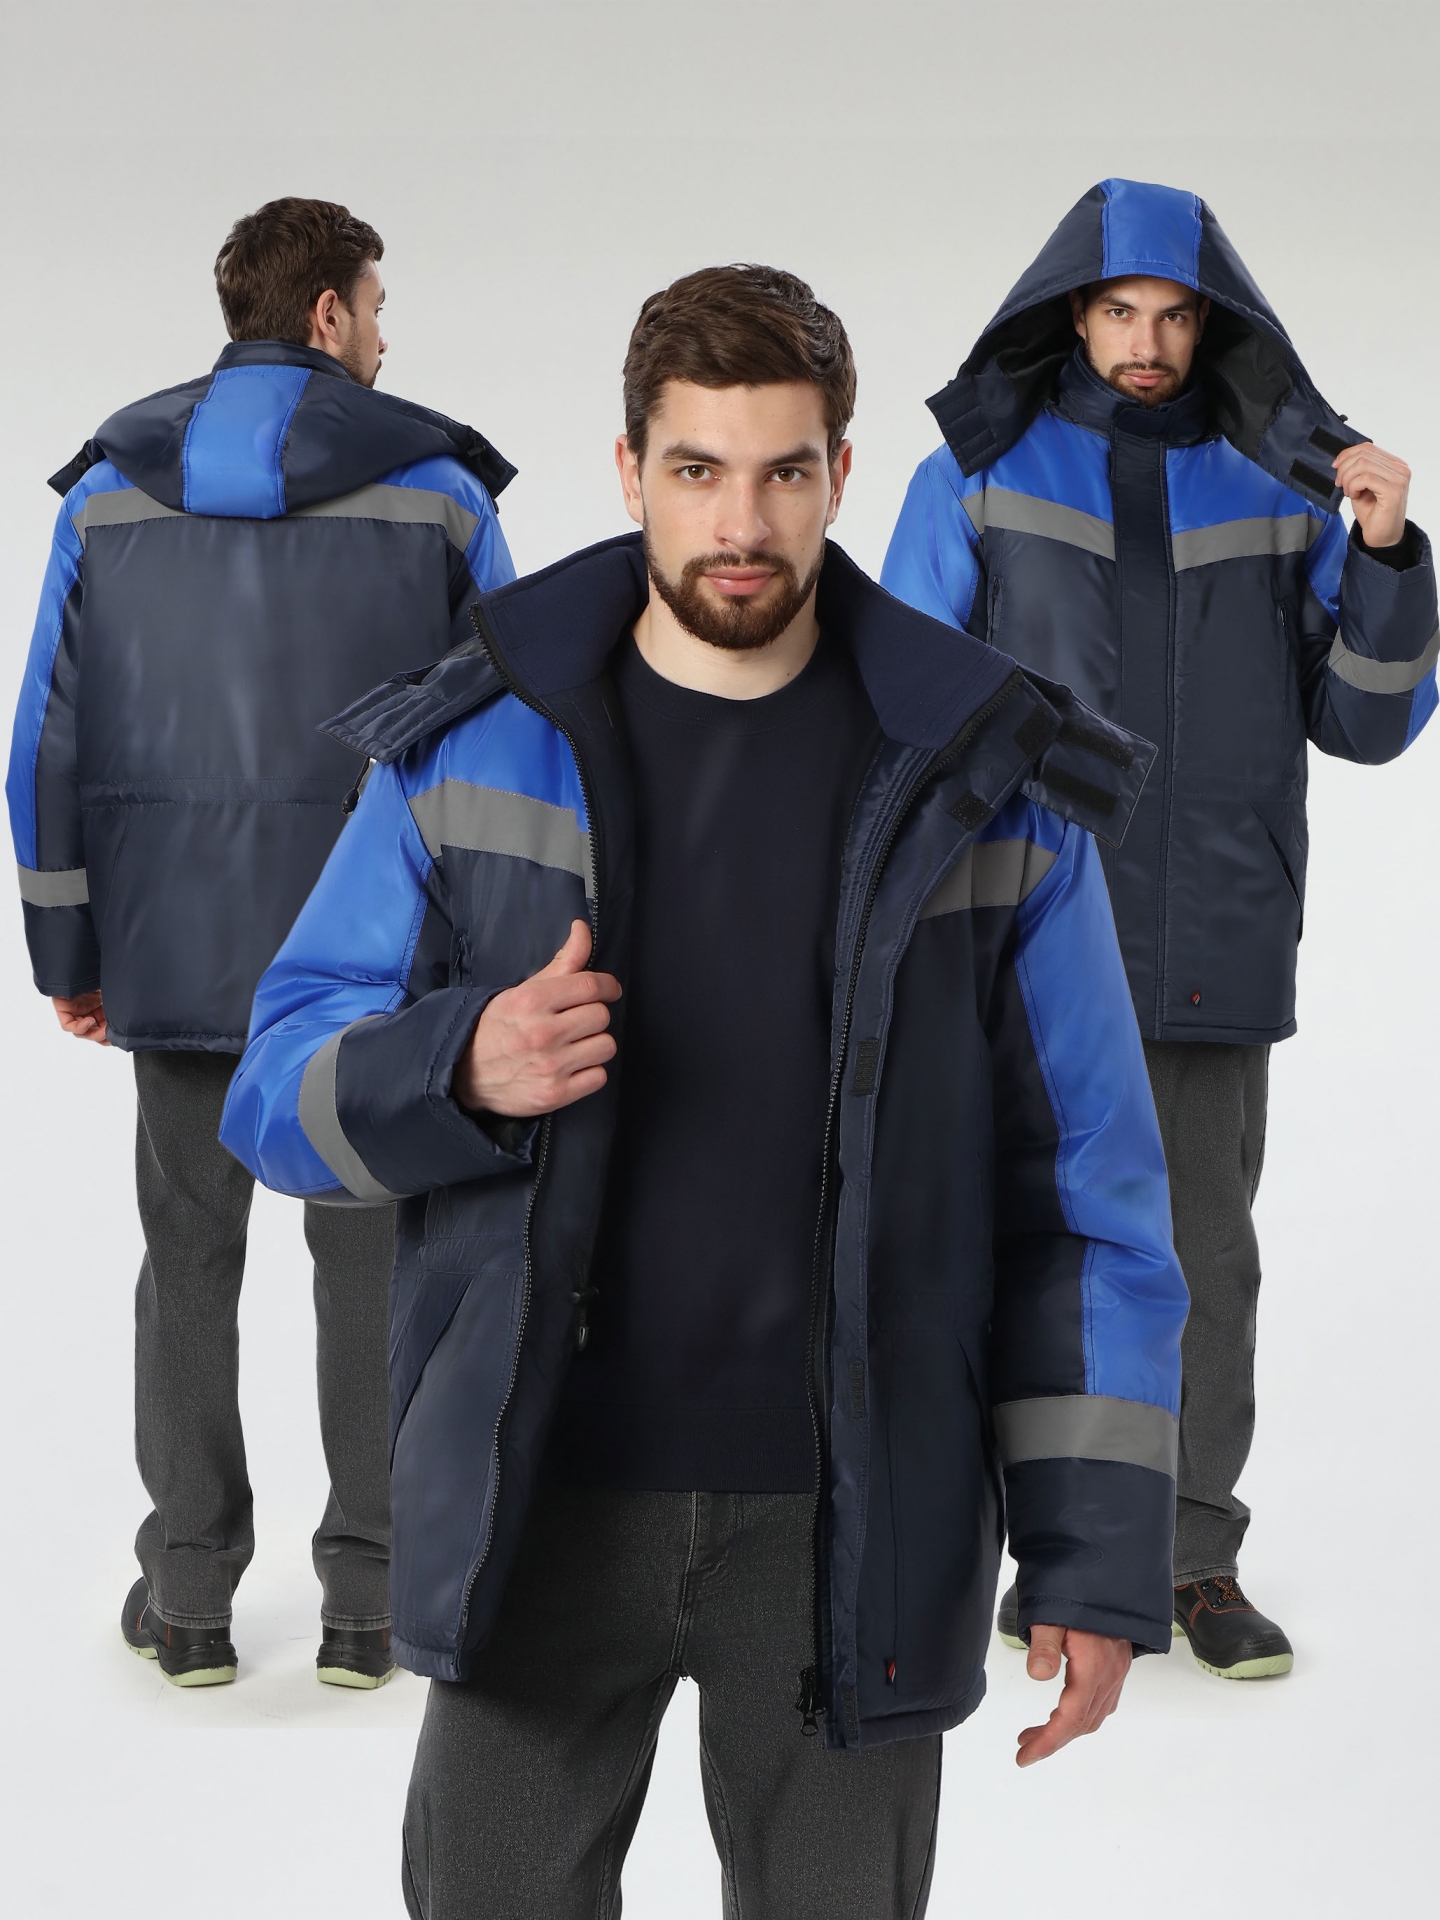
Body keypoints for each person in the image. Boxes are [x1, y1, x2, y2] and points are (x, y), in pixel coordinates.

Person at [221, 264, 1187, 1915]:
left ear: (841, 474)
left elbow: (1091, 1195)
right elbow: (273, 1089)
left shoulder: (987, 784)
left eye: (783, 471)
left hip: (850, 1527)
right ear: (627, 471)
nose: (741, 523)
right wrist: (456, 1061)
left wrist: (1093, 1556)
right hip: (538, 1503)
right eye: (696, 469)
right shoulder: (473, 742)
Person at [882, 177, 1438, 1681]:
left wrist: (1390, 558)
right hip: (1021, 939)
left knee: (1200, 1262)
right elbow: (903, 711)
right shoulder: (978, 476)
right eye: (1121, 311)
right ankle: (1048, 1554)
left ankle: (1195, 1560)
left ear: (1212, 323)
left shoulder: (1286, 483)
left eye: (1175, 316)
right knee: (1018, 1249)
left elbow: (1367, 724)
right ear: (1075, 312)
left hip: (1214, 929)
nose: (1147, 342)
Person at [6, 196, 517, 1689]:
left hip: (169, 951)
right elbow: (504, 724)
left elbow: (44, 742)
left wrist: (70, 954)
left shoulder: (105, 496)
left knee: (187, 1256)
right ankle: (369, 1597)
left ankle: (189, 1597)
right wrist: (483, 958)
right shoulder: (436, 492)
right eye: (377, 306)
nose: (386, 337)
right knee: (369, 1262)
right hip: (370, 962)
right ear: (327, 315)